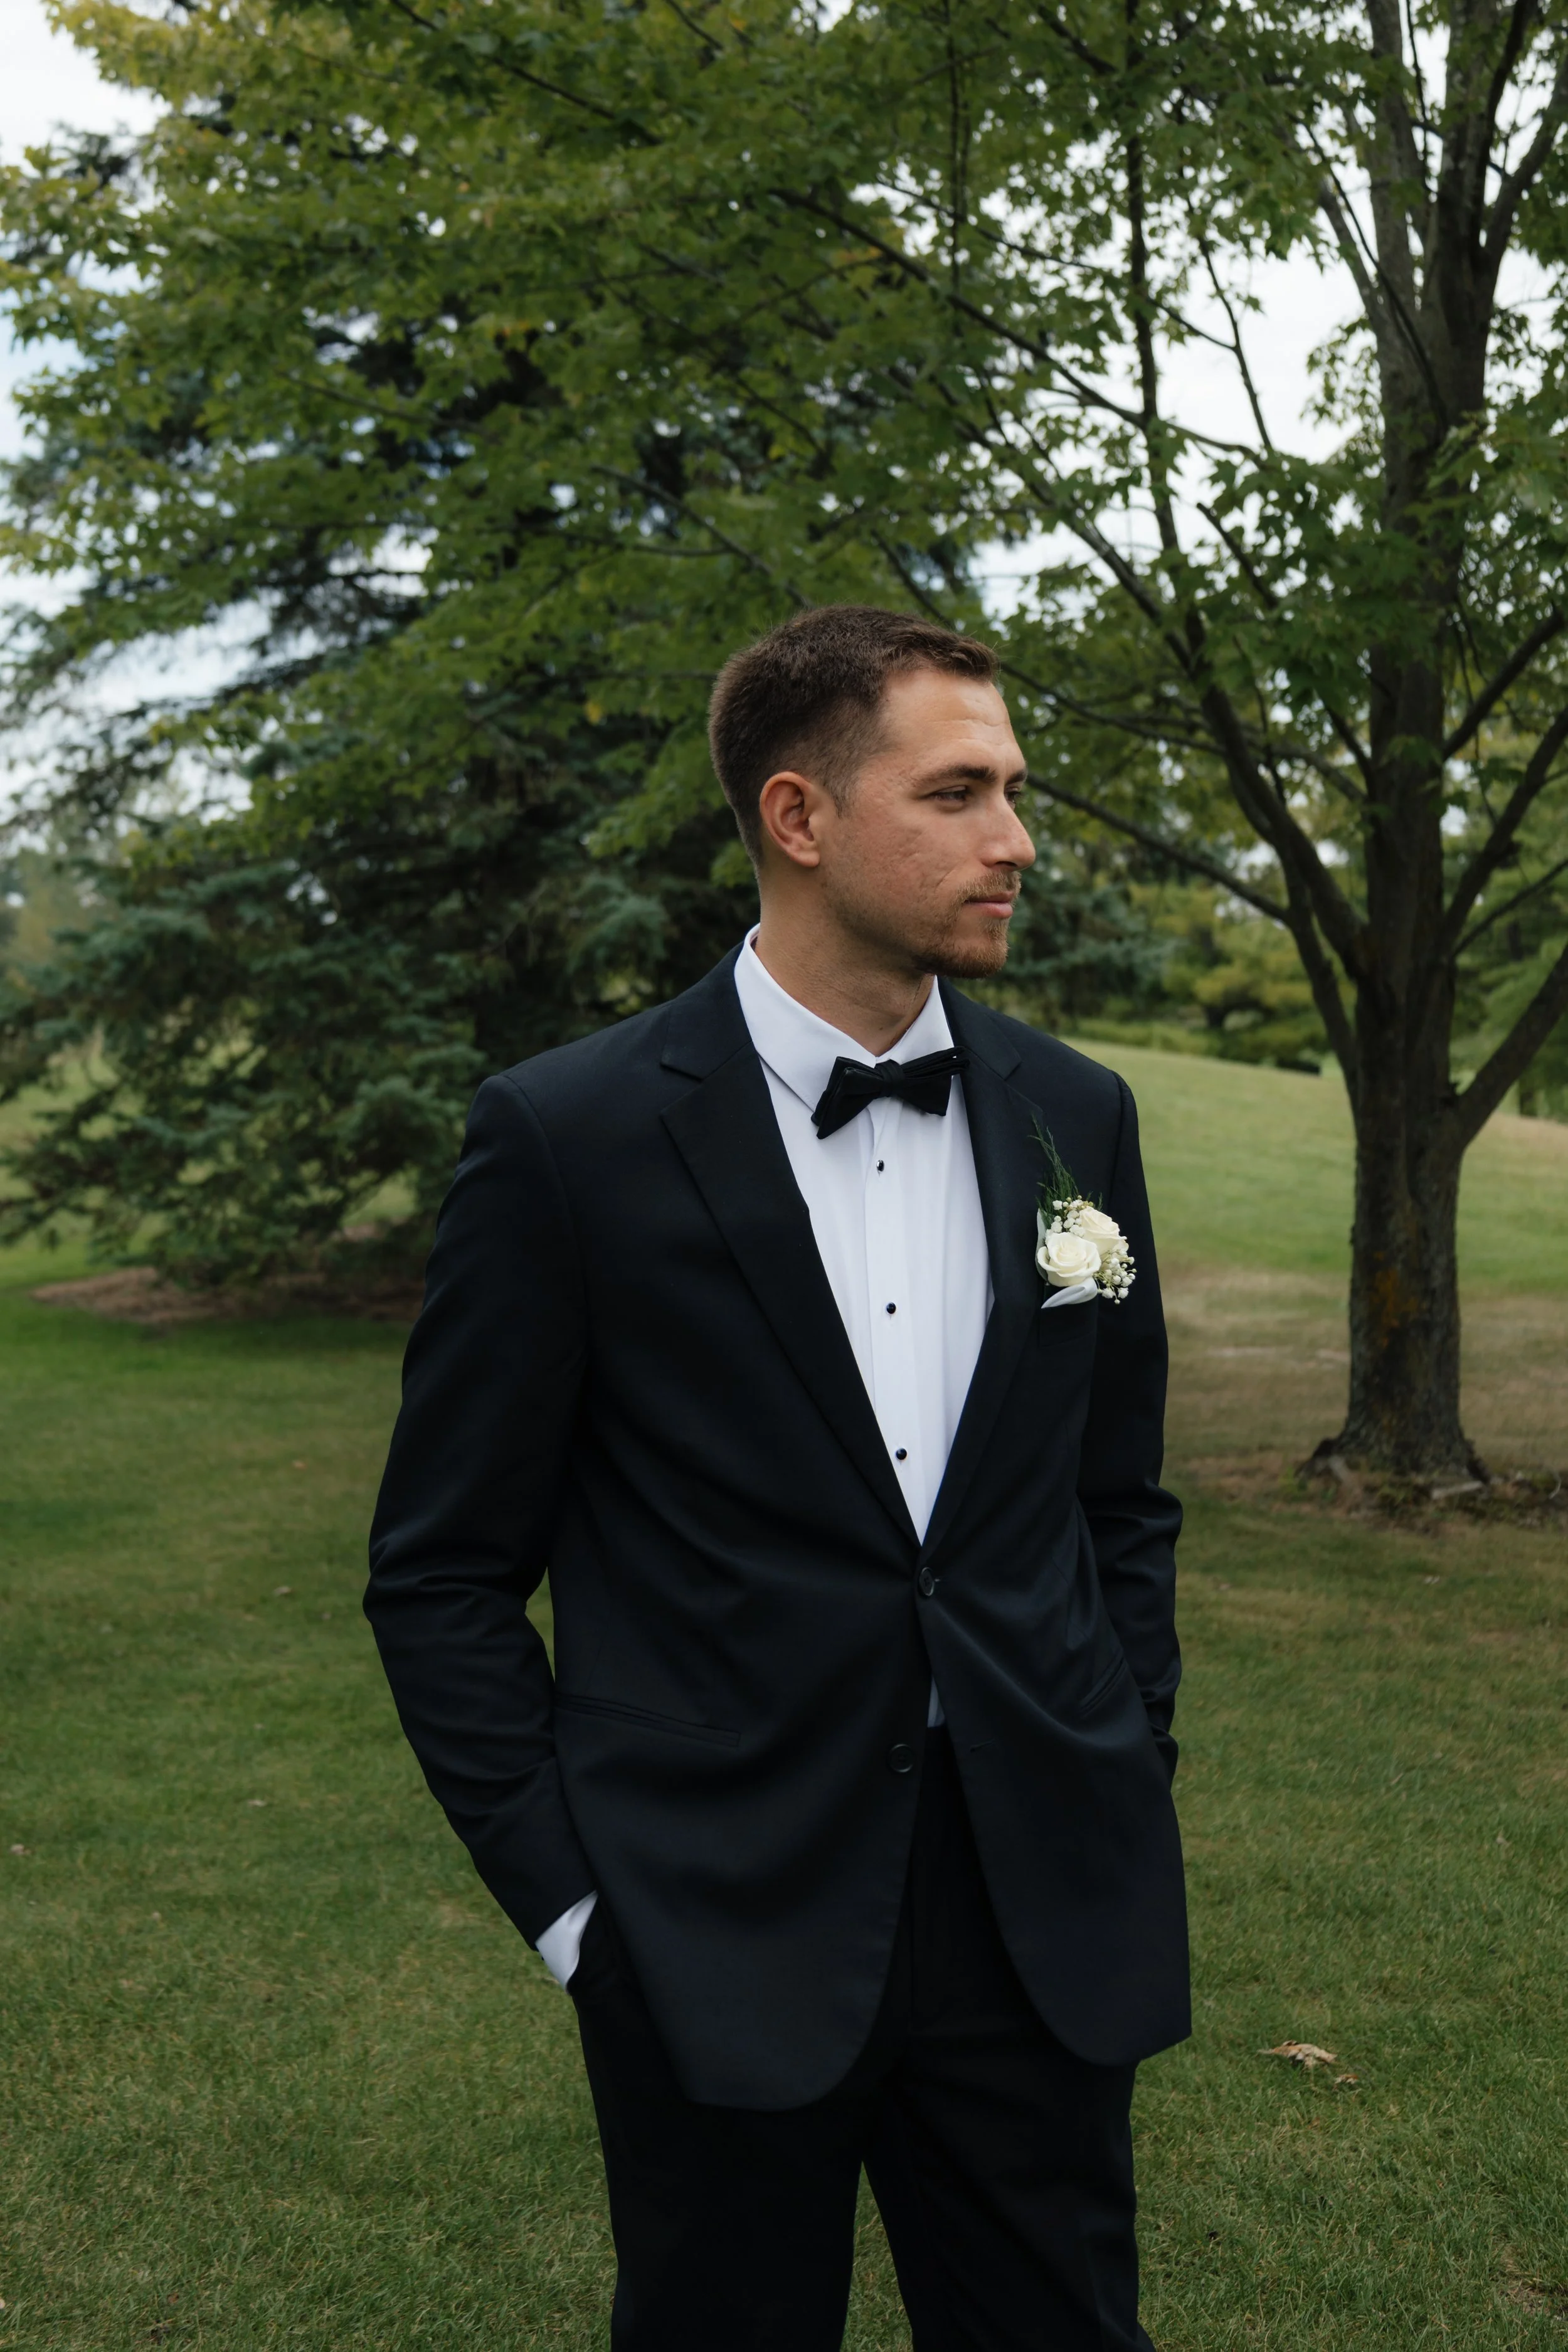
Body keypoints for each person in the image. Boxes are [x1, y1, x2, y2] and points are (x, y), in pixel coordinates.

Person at [365, 605, 1188, 2351]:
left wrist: (1122, 1756)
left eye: (1015, 790)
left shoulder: (1077, 1115)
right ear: (798, 817)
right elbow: (440, 1570)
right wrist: (582, 1914)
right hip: (708, 1913)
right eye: (957, 791)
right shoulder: (568, 1136)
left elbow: (1114, 1499)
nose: (1016, 839)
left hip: (1035, 1901)